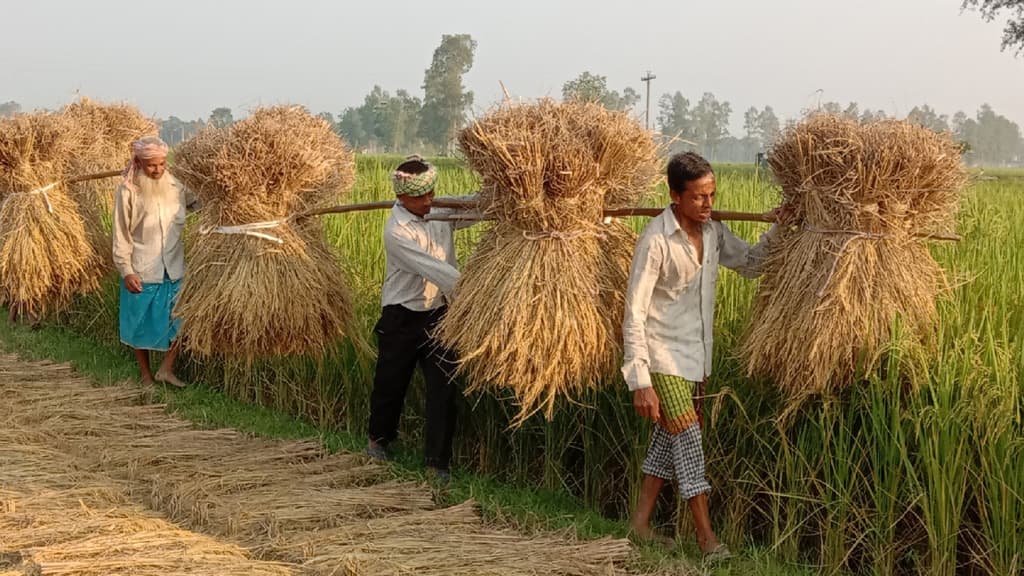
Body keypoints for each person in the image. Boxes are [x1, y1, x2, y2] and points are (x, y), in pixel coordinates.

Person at [622, 152, 785, 560]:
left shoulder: (714, 234)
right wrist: (640, 381)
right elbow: (634, 311)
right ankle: (706, 539)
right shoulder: (655, 240)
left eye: (711, 195)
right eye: (698, 197)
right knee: (691, 442)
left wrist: (780, 228)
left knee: (667, 440)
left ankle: (639, 525)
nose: (707, 204)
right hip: (662, 358)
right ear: (674, 196)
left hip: (696, 357)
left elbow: (751, 265)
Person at [365, 155, 473, 482]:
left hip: (439, 314)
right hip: (402, 315)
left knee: (444, 388)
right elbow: (437, 270)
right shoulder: (396, 231)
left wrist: (505, 198)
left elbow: (469, 208)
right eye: (421, 197)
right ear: (401, 197)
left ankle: (437, 463)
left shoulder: (437, 209)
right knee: (390, 383)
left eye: (432, 193)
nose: (429, 200)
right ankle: (378, 441)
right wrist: (478, 293)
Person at [112, 136, 198, 388]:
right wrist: (126, 270)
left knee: (183, 322)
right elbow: (121, 233)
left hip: (175, 268)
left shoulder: (176, 187)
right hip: (143, 270)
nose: (158, 170)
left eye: (161, 164)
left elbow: (200, 205)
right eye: (151, 165)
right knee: (140, 324)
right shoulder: (128, 191)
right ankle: (146, 376)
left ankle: (166, 369)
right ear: (138, 162)